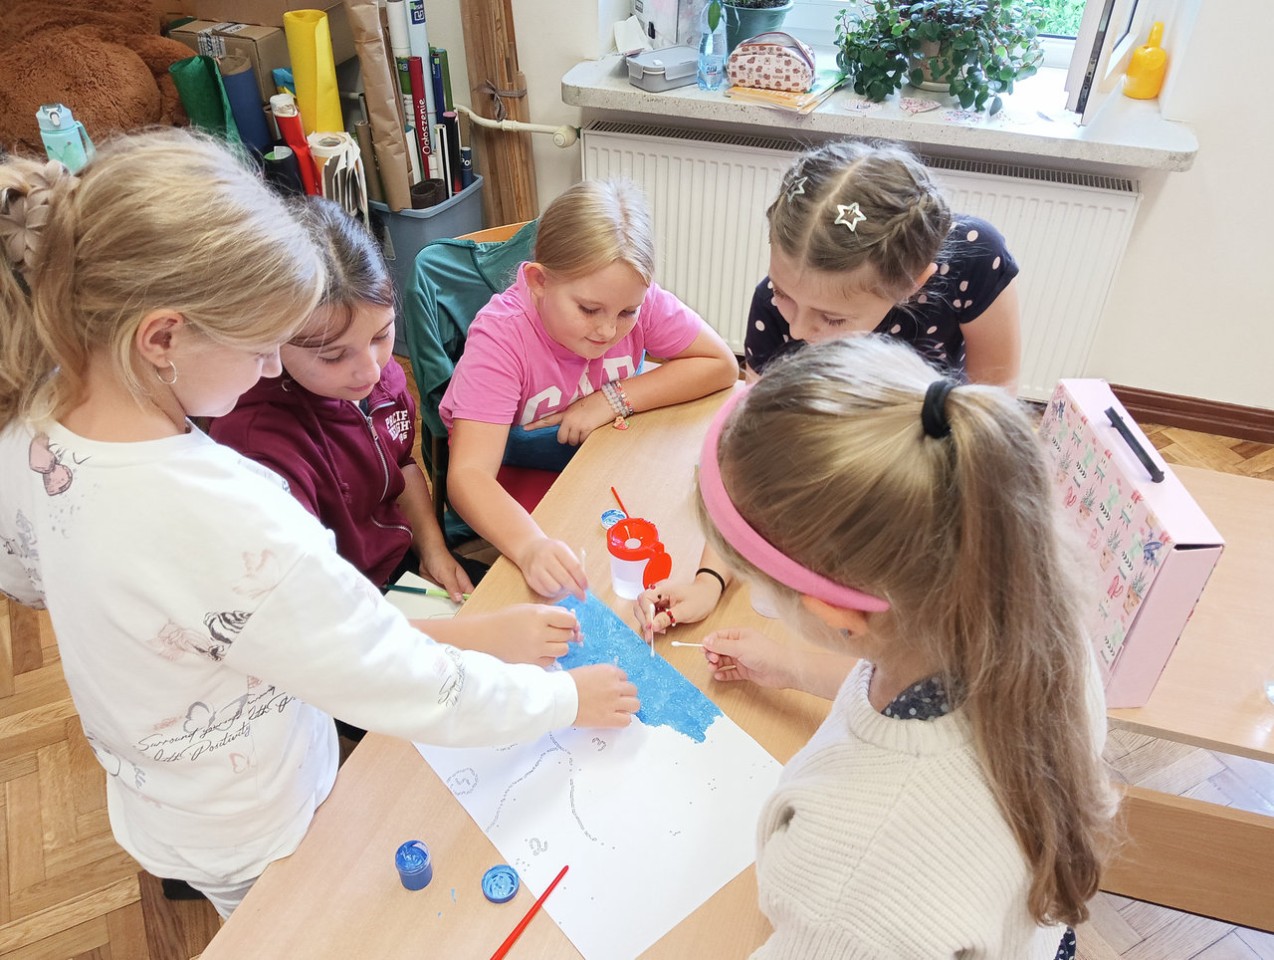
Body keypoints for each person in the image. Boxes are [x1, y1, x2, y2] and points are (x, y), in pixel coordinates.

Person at [0, 129, 638, 919]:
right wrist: (563, 701)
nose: (272, 368)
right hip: (261, 818)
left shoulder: (30, 419)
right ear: (162, 337)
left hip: (160, 793)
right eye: (260, 346)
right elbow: (403, 682)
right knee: (293, 924)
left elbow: (28, 576)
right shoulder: (237, 516)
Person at [690, 337, 1115, 958]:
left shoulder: (851, 880)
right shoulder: (1027, 616)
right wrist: (790, 667)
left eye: (758, 583)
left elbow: (848, 913)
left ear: (839, 613)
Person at [637, 138, 1023, 638]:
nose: (798, 329)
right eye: (783, 292)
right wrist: (709, 578)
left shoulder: (974, 260)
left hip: (931, 469)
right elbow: (752, 457)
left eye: (832, 318)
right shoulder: (775, 313)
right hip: (839, 472)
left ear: (913, 283)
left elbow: (996, 396)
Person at [211, 198, 576, 667]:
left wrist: (434, 550)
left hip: (399, 571)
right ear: (272, 341)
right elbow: (315, 623)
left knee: (548, 622)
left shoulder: (378, 380)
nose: (369, 371)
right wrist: (477, 636)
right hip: (334, 618)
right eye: (333, 356)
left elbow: (402, 468)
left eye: (382, 336)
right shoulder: (255, 442)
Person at [440, 178, 739, 600]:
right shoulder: (501, 337)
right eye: (588, 309)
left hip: (604, 463)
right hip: (519, 491)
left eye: (627, 312)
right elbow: (469, 476)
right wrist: (530, 546)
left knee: (680, 539)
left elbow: (721, 364)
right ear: (539, 281)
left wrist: (609, 400)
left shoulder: (630, 298)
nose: (607, 331)